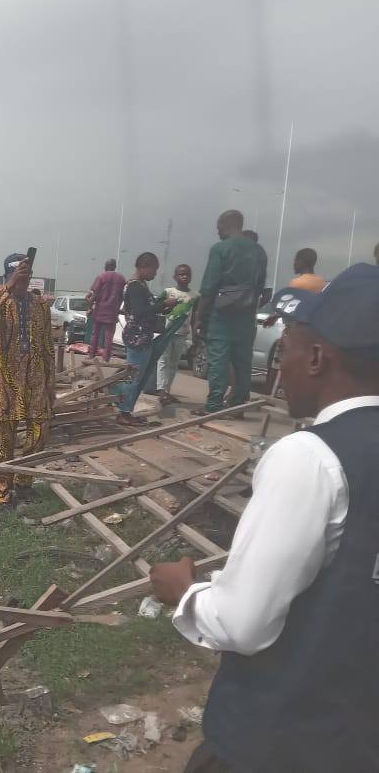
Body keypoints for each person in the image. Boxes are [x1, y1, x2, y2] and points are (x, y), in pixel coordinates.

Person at [149, 262, 379, 772]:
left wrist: (184, 591)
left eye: (289, 347)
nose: (280, 366)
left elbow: (243, 623)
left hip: (283, 737)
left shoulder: (312, 457)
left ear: (317, 357)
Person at [0, 253, 54, 504]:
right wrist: (8, 288)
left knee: (39, 430)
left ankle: (24, 482)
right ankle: (3, 485)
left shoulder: (40, 305)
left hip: (35, 380)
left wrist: (50, 382)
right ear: (8, 277)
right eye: (18, 277)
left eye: (26, 277)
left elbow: (47, 346)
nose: (23, 283)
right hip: (6, 380)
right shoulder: (2, 304)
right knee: (2, 434)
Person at [194, 210, 268, 415]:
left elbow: (209, 286)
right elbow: (261, 284)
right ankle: (237, 404)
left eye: (218, 226)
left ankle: (214, 405)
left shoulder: (220, 249)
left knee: (218, 358)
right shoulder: (258, 251)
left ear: (227, 224)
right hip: (246, 313)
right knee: (243, 359)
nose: (217, 231)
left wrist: (200, 316)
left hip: (222, 312)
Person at [117, 252, 175, 425]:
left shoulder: (141, 285)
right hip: (137, 338)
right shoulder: (135, 286)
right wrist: (164, 304)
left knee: (140, 377)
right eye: (153, 270)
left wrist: (164, 307)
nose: (155, 274)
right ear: (144, 267)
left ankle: (127, 411)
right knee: (134, 377)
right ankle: (123, 413)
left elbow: (147, 309)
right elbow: (140, 312)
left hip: (142, 337)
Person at [148, 264, 199, 405]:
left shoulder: (195, 295)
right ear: (175, 276)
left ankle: (167, 391)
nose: (184, 276)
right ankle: (161, 390)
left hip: (182, 333)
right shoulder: (168, 292)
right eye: (181, 274)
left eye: (187, 274)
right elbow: (156, 306)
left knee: (174, 363)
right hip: (167, 332)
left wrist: (195, 333)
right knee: (163, 361)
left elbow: (195, 315)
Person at [86, 259, 126, 361]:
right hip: (112, 312)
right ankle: (106, 358)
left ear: (105, 266)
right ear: (115, 266)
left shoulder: (101, 277)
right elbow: (122, 297)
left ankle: (91, 356)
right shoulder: (121, 279)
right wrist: (118, 309)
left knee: (95, 334)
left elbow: (94, 295)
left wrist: (89, 308)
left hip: (99, 311)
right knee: (109, 337)